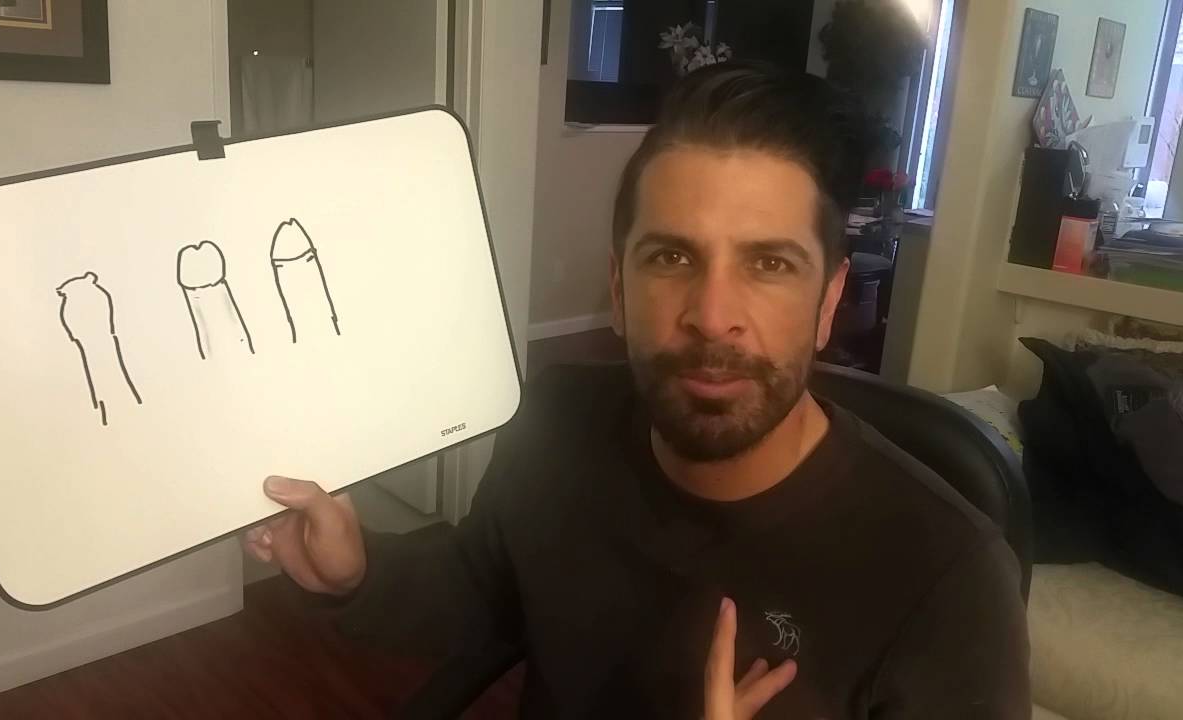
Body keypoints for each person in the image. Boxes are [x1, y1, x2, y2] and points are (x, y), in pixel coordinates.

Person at [244, 62, 1030, 718]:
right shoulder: (557, 419)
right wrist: (358, 573)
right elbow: (478, 593)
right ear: (619, 291)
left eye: (769, 264)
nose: (712, 316)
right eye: (672, 258)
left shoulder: (950, 584)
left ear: (828, 303)